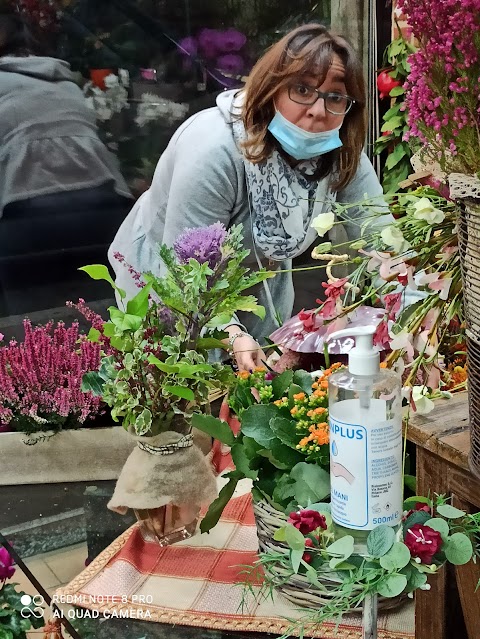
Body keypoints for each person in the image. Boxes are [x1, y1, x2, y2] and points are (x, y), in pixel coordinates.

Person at [109, 23, 388, 371]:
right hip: (169, 283)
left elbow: (381, 239)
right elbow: (185, 272)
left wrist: (412, 306)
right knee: (181, 391)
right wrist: (229, 332)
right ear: (272, 89)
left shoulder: (340, 149)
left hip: (260, 285)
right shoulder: (213, 151)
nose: (318, 110)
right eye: (302, 89)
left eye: (334, 97)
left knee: (259, 392)